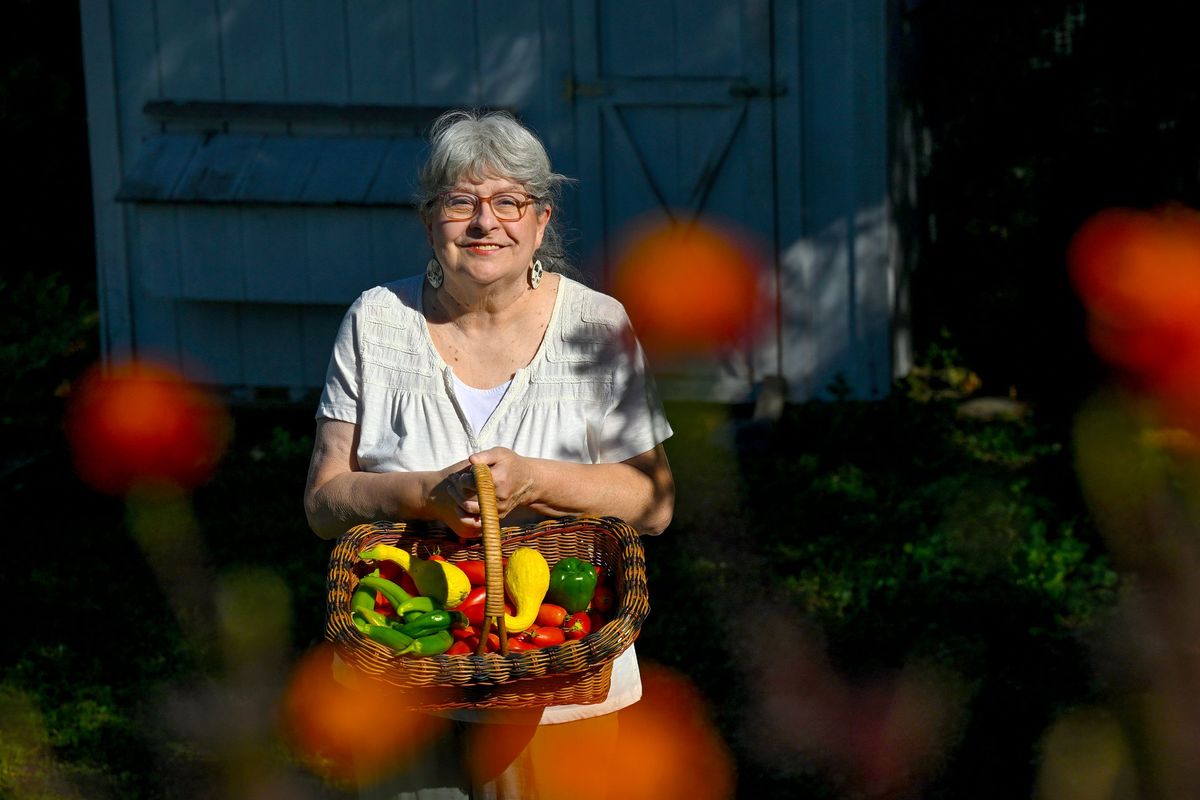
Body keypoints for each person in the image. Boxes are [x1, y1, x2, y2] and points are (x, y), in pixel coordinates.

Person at [303, 108, 675, 797]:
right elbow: (325, 501)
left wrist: (534, 479)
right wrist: (423, 494)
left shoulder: (598, 326)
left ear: (541, 220)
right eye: (459, 202)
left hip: (562, 684)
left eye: (509, 201)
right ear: (428, 220)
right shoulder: (377, 321)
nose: (484, 223)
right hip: (400, 682)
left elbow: (653, 503)